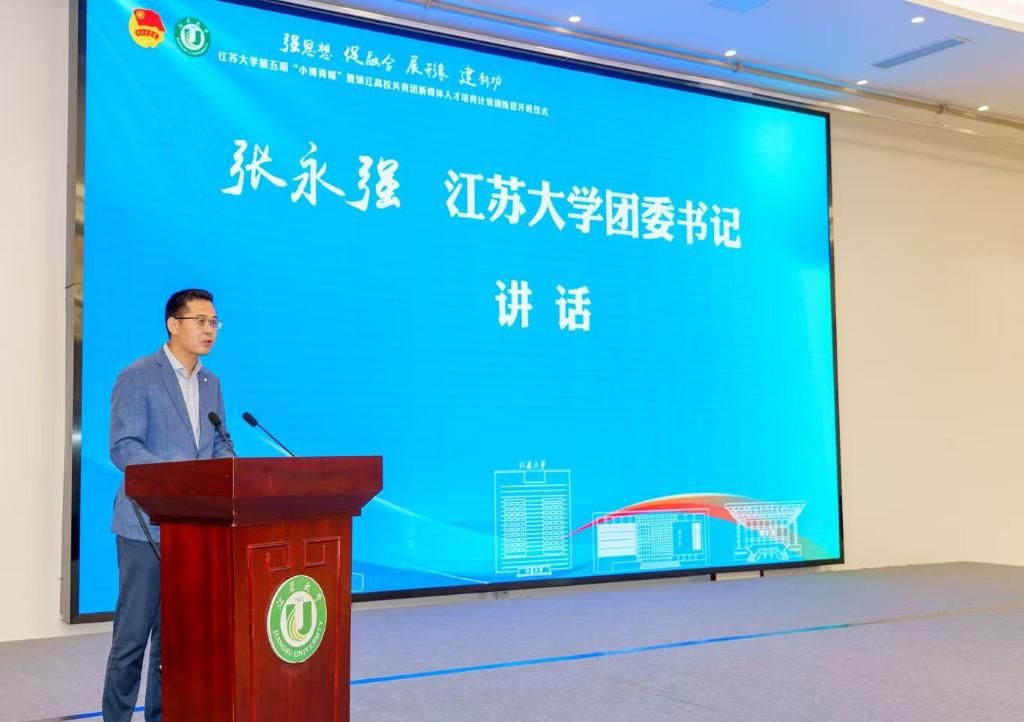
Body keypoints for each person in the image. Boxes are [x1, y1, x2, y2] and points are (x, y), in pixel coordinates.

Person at [102, 288, 232, 722]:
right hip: (145, 526)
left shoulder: (212, 384)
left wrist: (230, 469)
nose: (209, 329)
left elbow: (219, 443)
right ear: (173, 325)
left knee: (174, 642)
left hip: (194, 531)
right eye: (200, 321)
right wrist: (181, 480)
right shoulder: (137, 376)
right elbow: (124, 447)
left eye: (214, 322)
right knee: (132, 639)